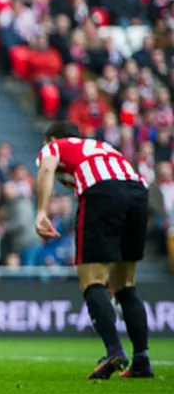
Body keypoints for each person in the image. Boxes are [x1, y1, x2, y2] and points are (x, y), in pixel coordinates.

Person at [34, 121, 154, 380]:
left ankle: (113, 351)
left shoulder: (56, 146)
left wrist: (42, 212)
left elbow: (46, 168)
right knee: (125, 284)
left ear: (53, 138)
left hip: (101, 191)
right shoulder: (104, 147)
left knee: (90, 281)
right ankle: (142, 361)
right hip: (137, 192)